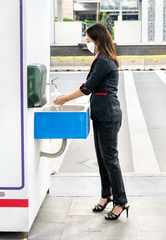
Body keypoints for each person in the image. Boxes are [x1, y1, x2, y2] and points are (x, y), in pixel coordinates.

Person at [54, 23, 129, 221]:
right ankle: (107, 195)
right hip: (101, 113)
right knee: (103, 159)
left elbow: (87, 88)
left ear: (97, 40)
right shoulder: (101, 58)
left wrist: (65, 99)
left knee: (110, 159)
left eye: (88, 40)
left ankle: (121, 201)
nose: (87, 44)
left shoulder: (104, 61)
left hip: (109, 115)